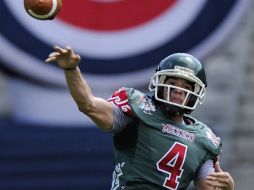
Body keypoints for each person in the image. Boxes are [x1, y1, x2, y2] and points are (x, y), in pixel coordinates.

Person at [45, 46, 234, 190]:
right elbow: (89, 105)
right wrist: (71, 70)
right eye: (173, 82)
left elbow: (207, 185)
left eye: (186, 85)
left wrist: (225, 186)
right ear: (159, 83)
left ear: (195, 93)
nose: (178, 88)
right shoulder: (140, 109)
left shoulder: (204, 137)